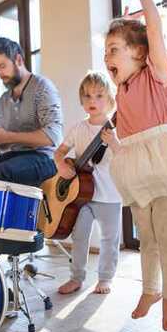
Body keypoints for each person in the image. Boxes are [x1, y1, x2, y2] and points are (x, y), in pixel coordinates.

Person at [100, 0, 167, 331]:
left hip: (164, 162)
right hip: (136, 167)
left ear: (139, 54)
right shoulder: (121, 91)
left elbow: (154, 35)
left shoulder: (157, 77)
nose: (106, 57)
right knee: (147, 237)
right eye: (105, 51)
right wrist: (113, 142)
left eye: (113, 49)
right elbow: (123, 138)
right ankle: (151, 290)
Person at [54, 71, 122, 295]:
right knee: (80, 236)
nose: (92, 101)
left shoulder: (116, 128)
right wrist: (61, 164)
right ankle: (76, 277)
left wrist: (113, 142)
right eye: (87, 96)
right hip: (82, 196)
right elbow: (61, 151)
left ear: (110, 99)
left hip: (110, 195)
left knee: (109, 239)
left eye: (99, 96)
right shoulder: (78, 128)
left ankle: (105, 278)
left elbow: (124, 156)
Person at [0, 37, 63, 187]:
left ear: (18, 59)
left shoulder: (42, 87)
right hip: (17, 157)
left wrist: (7, 136)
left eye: (2, 66)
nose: (0, 74)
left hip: (45, 157)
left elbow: (53, 136)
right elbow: (4, 145)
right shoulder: (4, 99)